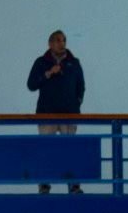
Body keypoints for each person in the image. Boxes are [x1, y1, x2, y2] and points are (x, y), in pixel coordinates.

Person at [26, 30, 85, 193]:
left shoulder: (74, 62)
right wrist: (48, 74)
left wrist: (76, 104)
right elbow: (31, 85)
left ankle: (73, 185)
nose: (62, 43)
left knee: (70, 150)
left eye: (64, 40)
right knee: (46, 149)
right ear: (50, 43)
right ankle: (44, 184)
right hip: (47, 114)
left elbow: (81, 86)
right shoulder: (41, 62)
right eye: (58, 40)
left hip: (69, 115)